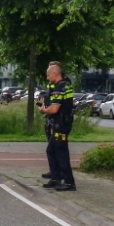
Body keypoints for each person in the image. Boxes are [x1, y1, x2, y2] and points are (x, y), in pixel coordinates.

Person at [38, 61, 75, 191]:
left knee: (61, 152)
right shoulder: (64, 85)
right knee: (52, 150)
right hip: (61, 122)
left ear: (54, 73)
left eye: (48, 75)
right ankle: (55, 178)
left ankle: (69, 183)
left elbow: (54, 109)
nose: (47, 78)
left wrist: (43, 110)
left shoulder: (60, 88)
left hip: (61, 124)